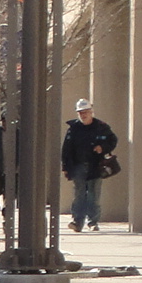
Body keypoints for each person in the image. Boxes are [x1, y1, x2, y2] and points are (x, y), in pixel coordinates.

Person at [61, 99, 116, 233]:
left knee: (93, 195)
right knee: (79, 195)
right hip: (78, 166)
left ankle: (93, 222)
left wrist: (102, 148)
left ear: (91, 112)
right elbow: (66, 150)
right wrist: (66, 167)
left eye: (86, 112)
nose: (83, 115)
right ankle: (77, 222)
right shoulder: (73, 129)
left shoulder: (101, 127)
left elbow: (113, 140)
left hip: (95, 166)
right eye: (80, 113)